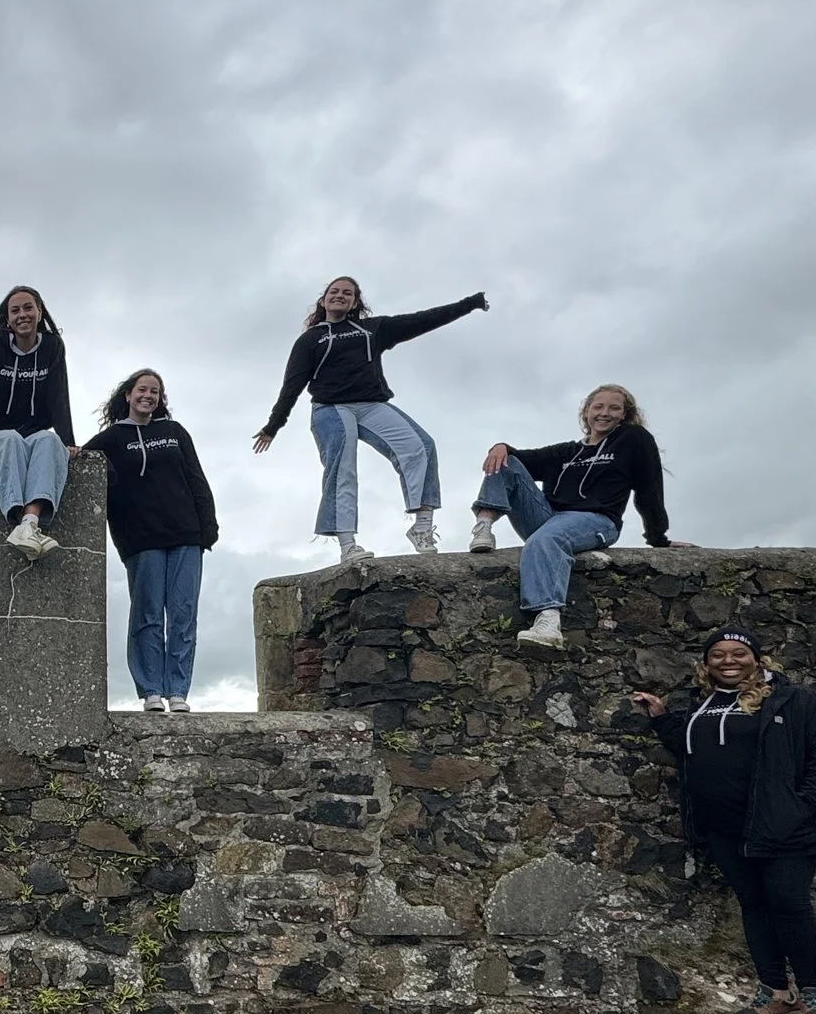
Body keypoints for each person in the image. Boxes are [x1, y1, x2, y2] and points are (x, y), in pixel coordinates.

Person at [632, 630, 816, 1014]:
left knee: (790, 903)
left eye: (738, 652)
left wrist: (798, 808)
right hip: (725, 828)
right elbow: (692, 749)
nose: (728, 660)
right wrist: (662, 718)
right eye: (717, 654)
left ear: (757, 658)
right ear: (706, 663)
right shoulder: (702, 704)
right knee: (753, 905)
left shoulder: (794, 700)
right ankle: (775, 994)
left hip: (785, 826)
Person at [253, 277, 488, 564]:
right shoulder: (310, 339)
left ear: (355, 302)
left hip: (371, 404)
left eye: (347, 293)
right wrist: (273, 425)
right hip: (331, 408)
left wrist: (469, 304)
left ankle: (422, 528)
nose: (339, 296)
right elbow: (292, 385)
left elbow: (422, 320)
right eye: (334, 291)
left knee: (421, 446)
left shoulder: (372, 329)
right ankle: (348, 546)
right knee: (343, 470)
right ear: (324, 299)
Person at [469, 383, 672, 649]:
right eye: (598, 407)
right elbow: (520, 457)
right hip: (551, 517)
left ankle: (548, 621)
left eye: (614, 408)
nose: (605, 413)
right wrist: (499, 445)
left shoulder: (633, 439)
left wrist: (658, 537)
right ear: (586, 412)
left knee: (546, 539)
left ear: (624, 414)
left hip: (596, 519)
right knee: (505, 460)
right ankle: (483, 525)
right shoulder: (567, 452)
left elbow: (650, 488)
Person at [83, 370, 218, 712]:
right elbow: (81, 463)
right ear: (128, 395)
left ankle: (178, 692)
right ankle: (151, 691)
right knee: (147, 615)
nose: (149, 395)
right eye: (142, 389)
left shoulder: (173, 432)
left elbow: (196, 479)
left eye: (155, 391)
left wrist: (208, 528)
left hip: (186, 536)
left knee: (184, 615)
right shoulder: (111, 438)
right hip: (142, 539)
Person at [0, 285, 76, 559]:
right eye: (15, 310)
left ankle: (28, 525)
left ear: (39, 312)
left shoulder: (52, 346)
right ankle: (23, 522)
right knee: (11, 440)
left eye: (28, 308)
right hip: (0, 431)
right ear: (8, 319)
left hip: (37, 429)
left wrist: (68, 440)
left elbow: (59, 395)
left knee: (51, 442)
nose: (22, 315)